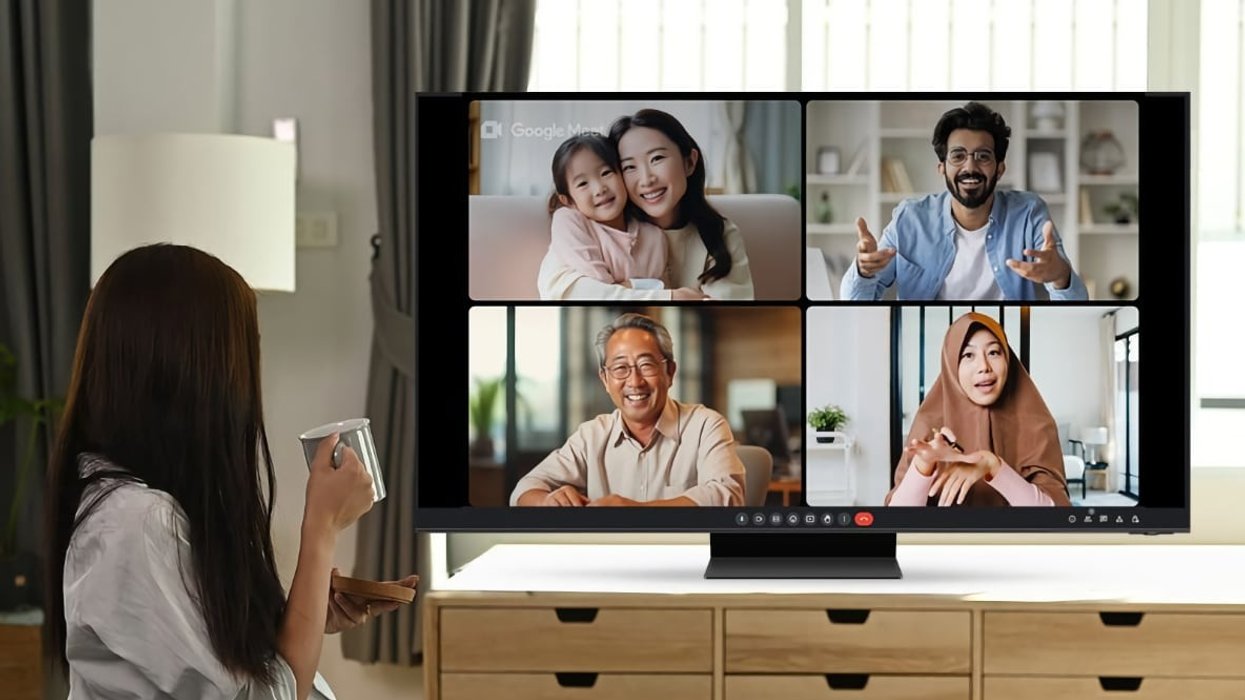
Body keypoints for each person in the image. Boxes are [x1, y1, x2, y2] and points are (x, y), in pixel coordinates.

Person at [45, 244, 416, 700]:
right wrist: (321, 527)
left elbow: (213, 661)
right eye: (245, 351)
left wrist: (305, 608)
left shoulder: (134, 509)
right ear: (194, 369)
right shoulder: (136, 524)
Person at [842, 102, 1088, 301]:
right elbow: (854, 304)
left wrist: (1061, 276)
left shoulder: (1028, 213)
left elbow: (1075, 306)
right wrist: (863, 271)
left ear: (1000, 169)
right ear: (942, 167)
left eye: (983, 156)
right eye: (958, 156)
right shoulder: (909, 218)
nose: (970, 166)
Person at [510, 313, 745, 507]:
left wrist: (636, 511)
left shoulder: (705, 425)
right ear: (605, 379)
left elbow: (729, 496)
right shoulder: (591, 436)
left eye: (646, 365)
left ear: (670, 372)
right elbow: (524, 490)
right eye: (620, 368)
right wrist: (547, 501)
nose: (634, 381)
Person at [885, 312, 1069, 507]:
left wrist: (994, 467)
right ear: (952, 366)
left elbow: (1056, 517)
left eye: (993, 352)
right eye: (968, 355)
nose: (984, 366)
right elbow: (896, 519)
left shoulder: (1037, 424)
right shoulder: (929, 423)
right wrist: (923, 466)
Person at [536, 133, 706, 301]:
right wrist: (632, 285)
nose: (599, 189)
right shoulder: (569, 221)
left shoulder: (654, 236)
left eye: (606, 173)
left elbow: (660, 288)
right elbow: (599, 284)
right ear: (568, 200)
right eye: (582, 183)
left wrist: (631, 287)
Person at [610, 109, 756, 300]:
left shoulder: (720, 233)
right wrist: (675, 296)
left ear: (689, 163)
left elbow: (730, 311)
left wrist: (629, 289)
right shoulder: (605, 233)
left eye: (657, 158)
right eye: (629, 167)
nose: (646, 179)